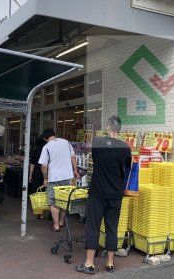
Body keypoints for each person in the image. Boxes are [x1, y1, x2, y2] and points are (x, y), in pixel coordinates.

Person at [75, 116, 131, 275]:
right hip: (115, 193)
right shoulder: (125, 147)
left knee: (92, 226)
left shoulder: (98, 142)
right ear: (119, 129)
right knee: (112, 227)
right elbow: (129, 167)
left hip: (98, 192)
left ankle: (89, 264)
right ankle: (110, 263)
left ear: (108, 126)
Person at [39, 129, 78, 232]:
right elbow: (73, 157)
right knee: (64, 200)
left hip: (54, 178)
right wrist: (75, 171)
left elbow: (44, 166)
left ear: (45, 138)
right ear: (54, 134)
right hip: (67, 177)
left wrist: (45, 178)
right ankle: (61, 221)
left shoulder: (46, 147)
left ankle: (56, 225)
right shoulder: (66, 142)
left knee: (54, 202)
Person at [29, 135, 47, 218]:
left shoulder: (36, 150)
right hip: (47, 173)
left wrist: (30, 176)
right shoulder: (47, 150)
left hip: (37, 173)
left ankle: (40, 213)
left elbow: (32, 165)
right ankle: (48, 210)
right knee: (46, 192)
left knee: (38, 192)